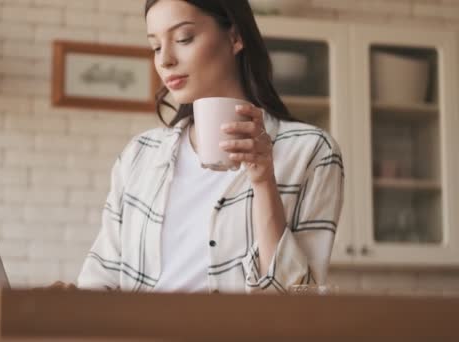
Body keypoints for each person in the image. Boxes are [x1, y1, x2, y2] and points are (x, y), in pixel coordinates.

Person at [56, 0, 344, 294]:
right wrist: (71, 301)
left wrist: (263, 182)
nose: (165, 60)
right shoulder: (139, 154)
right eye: (155, 47)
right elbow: (101, 278)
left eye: (183, 38)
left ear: (234, 37)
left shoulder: (310, 151)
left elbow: (298, 304)